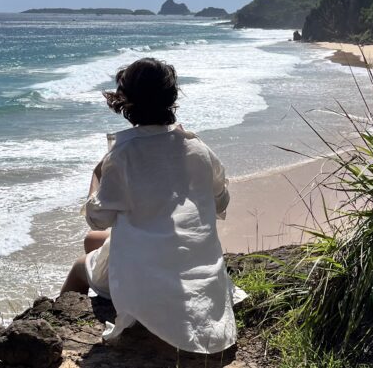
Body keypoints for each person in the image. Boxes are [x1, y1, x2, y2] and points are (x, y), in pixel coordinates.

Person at [60, 57, 244, 354]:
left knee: (81, 266)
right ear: (171, 98)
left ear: (125, 103)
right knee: (91, 243)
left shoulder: (123, 154)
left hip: (150, 281)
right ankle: (114, 289)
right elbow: (221, 201)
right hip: (198, 274)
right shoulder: (197, 147)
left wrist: (97, 175)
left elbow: (98, 218)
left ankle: (61, 332)